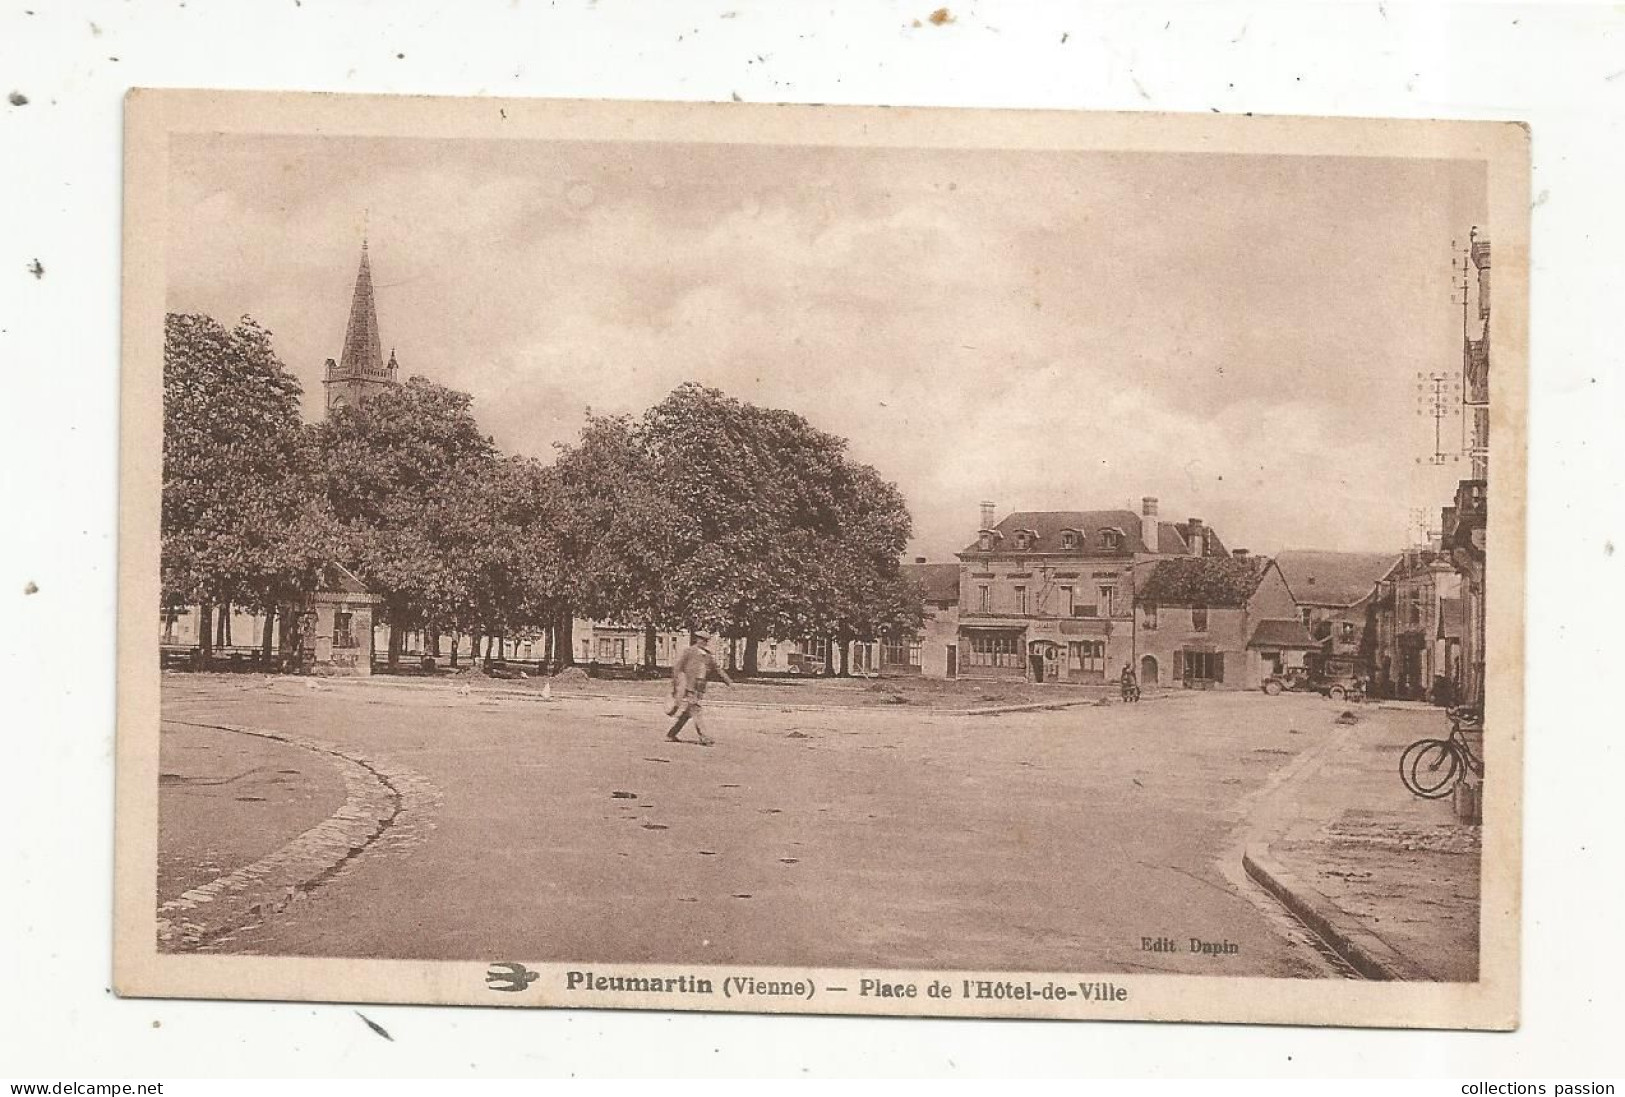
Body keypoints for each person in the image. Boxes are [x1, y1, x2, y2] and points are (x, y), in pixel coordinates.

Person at [665, 630, 734, 745]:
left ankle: (671, 734)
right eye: (702, 639)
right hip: (689, 687)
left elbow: (718, 670)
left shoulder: (708, 655)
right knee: (696, 710)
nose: (704, 642)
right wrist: (676, 685)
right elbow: (677, 668)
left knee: (688, 713)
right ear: (697, 639)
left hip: (700, 688)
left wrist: (729, 682)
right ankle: (704, 737)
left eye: (706, 640)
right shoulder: (689, 652)